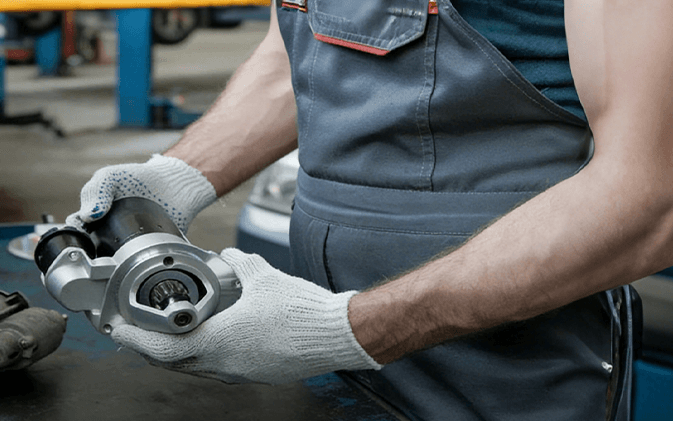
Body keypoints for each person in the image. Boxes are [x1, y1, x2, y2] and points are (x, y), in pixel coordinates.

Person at [66, 0, 672, 419]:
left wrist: (342, 331)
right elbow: (296, 60)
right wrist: (175, 176)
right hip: (323, 345)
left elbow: (652, 198)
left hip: (506, 365)